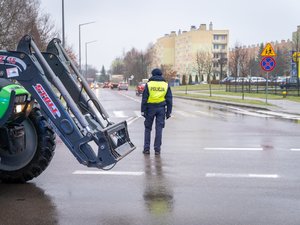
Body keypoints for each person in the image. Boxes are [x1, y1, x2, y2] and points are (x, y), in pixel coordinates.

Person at [141, 68, 173, 155]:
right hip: (161, 109)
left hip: (150, 109)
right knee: (159, 129)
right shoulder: (165, 85)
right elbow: (169, 99)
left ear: (153, 75)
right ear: (161, 75)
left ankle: (146, 149)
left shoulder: (149, 84)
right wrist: (168, 112)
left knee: (148, 129)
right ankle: (157, 150)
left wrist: (143, 110)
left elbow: (144, 98)